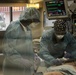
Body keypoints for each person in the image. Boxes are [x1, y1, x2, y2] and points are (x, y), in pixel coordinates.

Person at [2, 7, 43, 75]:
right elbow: (7, 48)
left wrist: (34, 57)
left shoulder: (27, 29)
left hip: (23, 67)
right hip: (12, 66)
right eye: (35, 22)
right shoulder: (14, 28)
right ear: (30, 19)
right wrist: (20, 60)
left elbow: (28, 47)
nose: (35, 25)